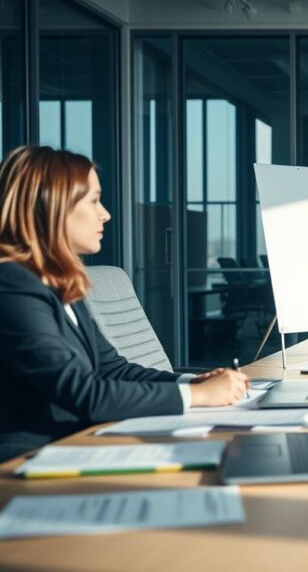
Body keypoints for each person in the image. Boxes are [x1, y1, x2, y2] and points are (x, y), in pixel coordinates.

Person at [0, 146, 250, 463]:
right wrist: (198, 396)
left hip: (77, 444)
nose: (105, 213)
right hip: (29, 460)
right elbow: (83, 393)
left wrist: (190, 381)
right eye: (93, 200)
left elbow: (112, 368)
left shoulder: (57, 283)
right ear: (52, 205)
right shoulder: (11, 285)